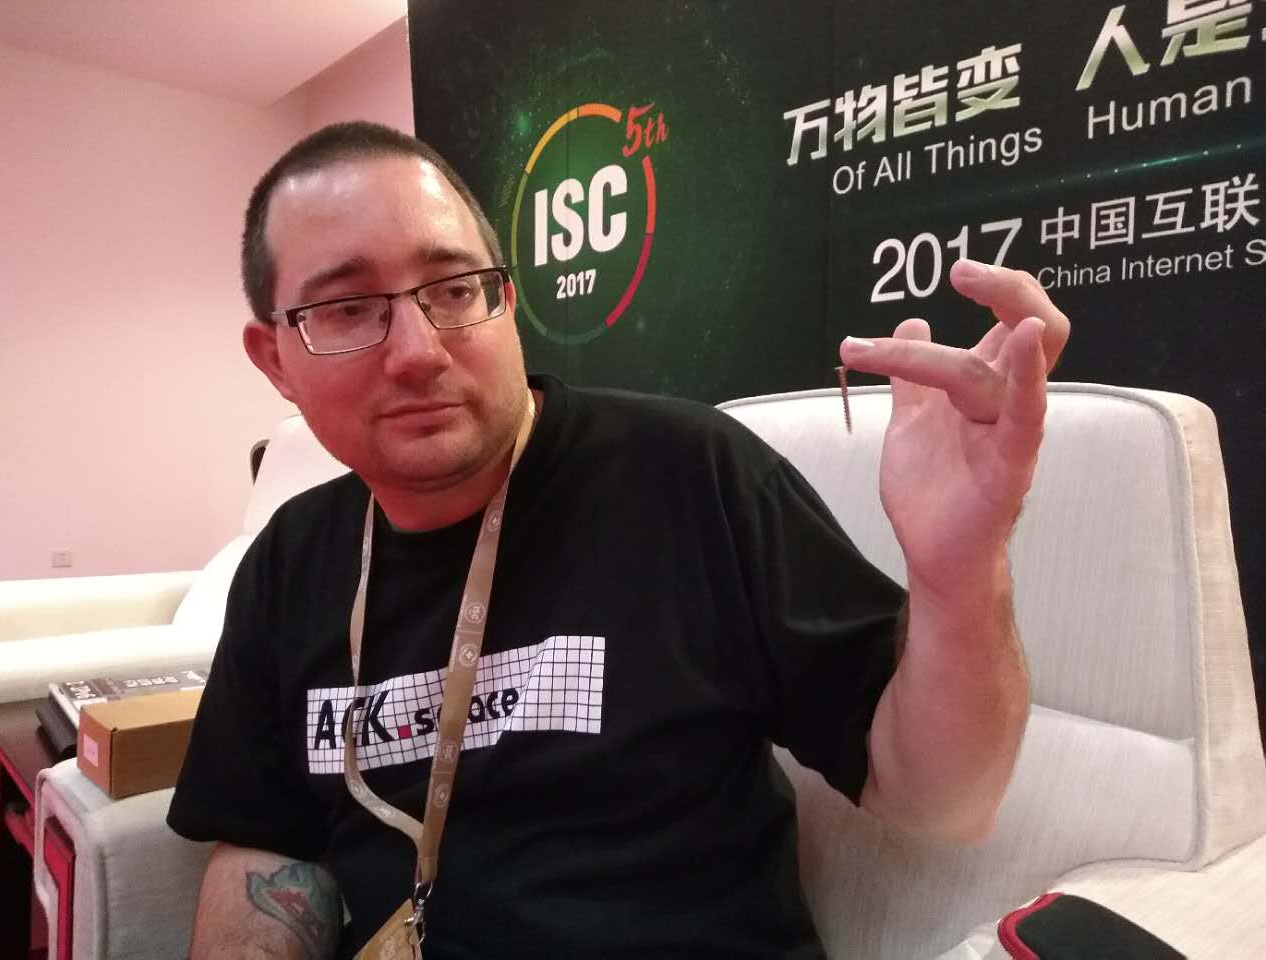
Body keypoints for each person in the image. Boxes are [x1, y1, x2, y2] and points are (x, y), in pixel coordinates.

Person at [167, 121, 1070, 959]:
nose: (417, 350)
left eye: (454, 290)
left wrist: (961, 573)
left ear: (505, 300)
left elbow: (943, 799)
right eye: (348, 309)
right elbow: (260, 842)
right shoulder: (289, 561)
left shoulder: (692, 477)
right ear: (274, 358)